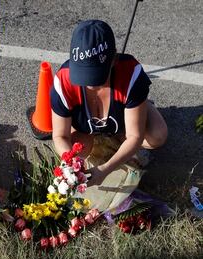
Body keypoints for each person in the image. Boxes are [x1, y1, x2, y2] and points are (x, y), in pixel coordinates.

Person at [50, 19, 168, 186]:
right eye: (83, 74)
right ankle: (102, 134)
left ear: (113, 60)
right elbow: (59, 135)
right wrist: (70, 163)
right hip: (85, 129)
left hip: (123, 116)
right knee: (79, 151)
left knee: (157, 136)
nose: (90, 83)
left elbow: (135, 136)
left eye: (97, 74)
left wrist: (104, 170)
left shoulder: (131, 76)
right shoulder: (62, 82)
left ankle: (140, 107)